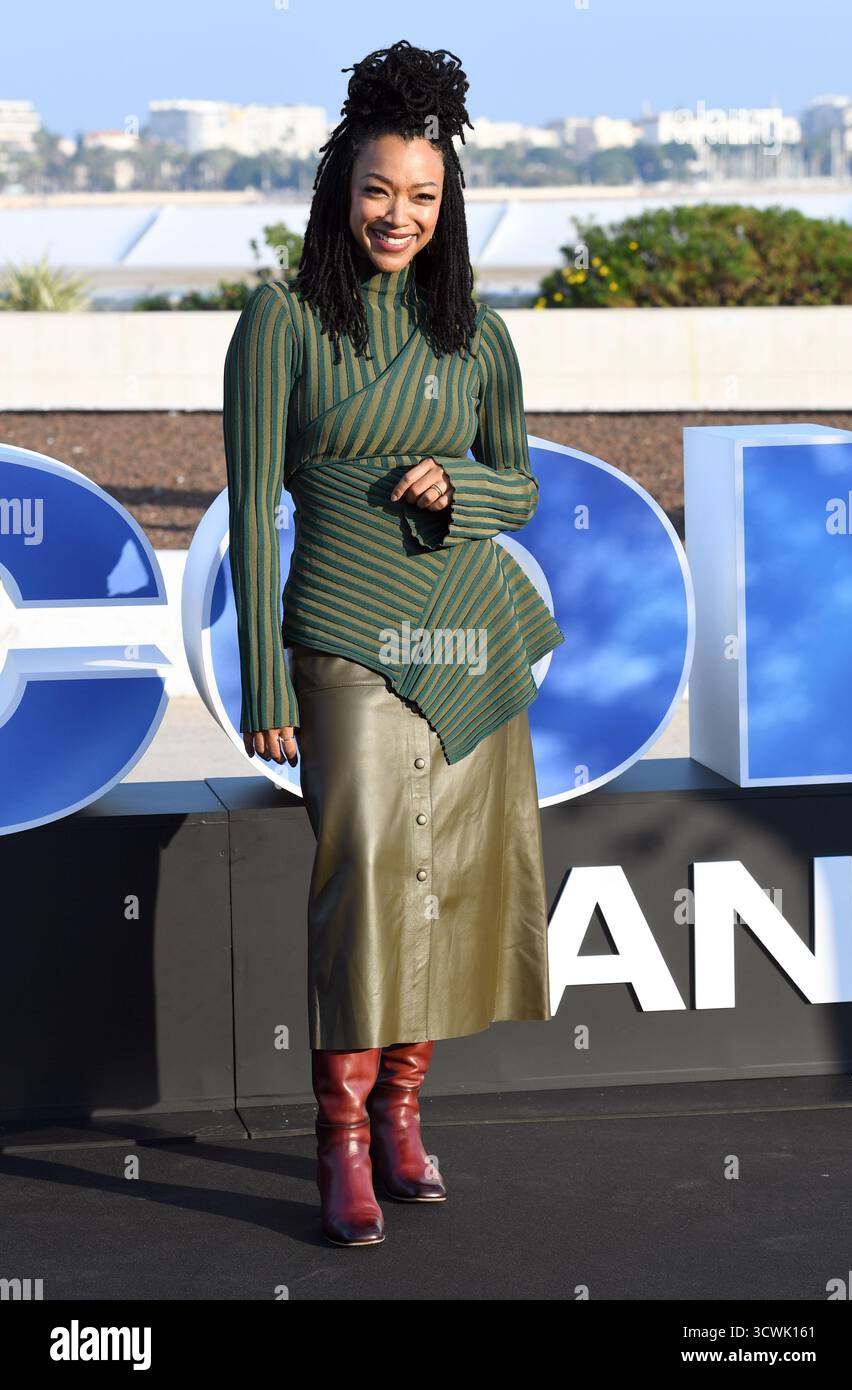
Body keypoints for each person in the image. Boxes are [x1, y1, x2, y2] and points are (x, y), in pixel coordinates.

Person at [223, 39, 566, 1248]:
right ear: (340, 189)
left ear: (446, 202)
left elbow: (522, 486)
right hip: (341, 633)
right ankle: (339, 1138)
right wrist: (261, 677)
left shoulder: (475, 333)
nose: (398, 215)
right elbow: (249, 510)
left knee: (451, 885)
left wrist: (462, 488)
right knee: (363, 881)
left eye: (422, 195)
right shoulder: (280, 320)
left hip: (468, 638)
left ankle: (405, 1115)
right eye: (378, 189)